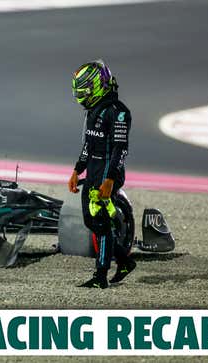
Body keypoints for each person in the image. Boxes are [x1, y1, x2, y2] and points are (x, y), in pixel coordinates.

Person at [68, 59, 136, 289]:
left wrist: (110, 179)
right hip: (94, 173)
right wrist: (78, 170)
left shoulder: (118, 113)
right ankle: (125, 261)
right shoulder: (92, 112)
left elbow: (120, 149)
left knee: (102, 223)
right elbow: (89, 144)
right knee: (92, 222)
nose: (80, 96)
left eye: (84, 91)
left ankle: (101, 276)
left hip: (108, 175)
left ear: (96, 86)